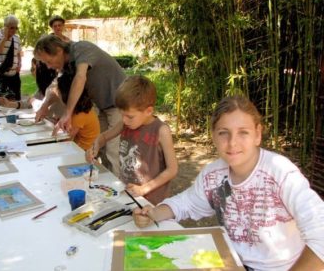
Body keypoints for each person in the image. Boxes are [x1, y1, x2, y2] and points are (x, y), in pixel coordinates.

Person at [133, 95, 324, 270]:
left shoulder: (281, 173)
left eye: (243, 132)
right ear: (213, 135)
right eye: (224, 133)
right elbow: (187, 203)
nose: (232, 143)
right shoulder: (213, 175)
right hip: (232, 263)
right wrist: (153, 213)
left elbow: (321, 236)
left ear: (258, 134)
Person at [34, 34, 126, 176]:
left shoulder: (82, 49)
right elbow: (55, 89)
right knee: (97, 147)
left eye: (48, 61)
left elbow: (80, 77)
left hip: (119, 103)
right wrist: (44, 106)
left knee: (112, 151)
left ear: (58, 50)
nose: (48, 66)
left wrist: (67, 114)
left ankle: (117, 189)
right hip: (103, 106)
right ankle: (102, 183)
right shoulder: (66, 66)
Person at [85, 76, 178, 205]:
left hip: (152, 201)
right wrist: (94, 147)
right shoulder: (125, 123)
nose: (124, 120)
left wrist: (144, 189)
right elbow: (104, 137)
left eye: (129, 116)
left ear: (148, 111)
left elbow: (172, 169)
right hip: (128, 193)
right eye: (121, 115)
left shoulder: (161, 131)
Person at [57, 69, 100, 150]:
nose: (57, 94)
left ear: (64, 95)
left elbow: (66, 140)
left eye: (58, 92)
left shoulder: (79, 116)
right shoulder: (81, 109)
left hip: (84, 152)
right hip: (83, 148)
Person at [0, 15, 22, 104]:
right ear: (5, 27)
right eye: (12, 28)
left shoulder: (16, 38)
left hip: (14, 75)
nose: (14, 30)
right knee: (2, 101)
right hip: (1, 74)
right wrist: (4, 38)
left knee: (15, 100)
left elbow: (18, 53)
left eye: (16, 28)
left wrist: (19, 64)